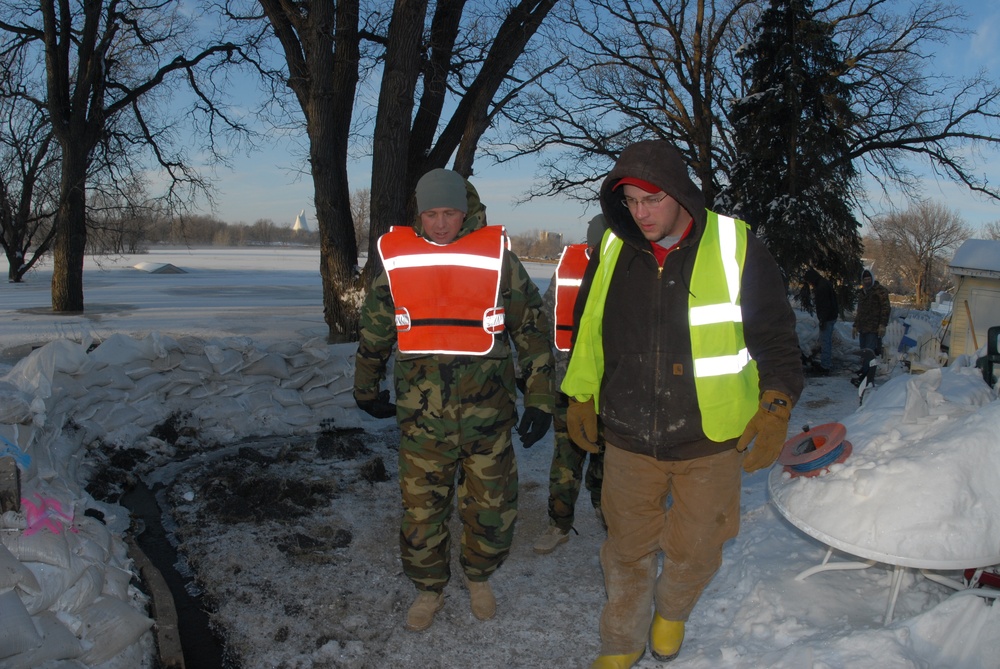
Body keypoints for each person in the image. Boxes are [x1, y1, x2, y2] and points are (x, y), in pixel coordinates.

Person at [562, 140, 804, 668]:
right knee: (626, 549)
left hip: (710, 435)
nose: (640, 213)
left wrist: (777, 403)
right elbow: (590, 332)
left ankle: (672, 611)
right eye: (629, 201)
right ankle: (621, 642)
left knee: (698, 546)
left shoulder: (735, 244)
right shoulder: (611, 248)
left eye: (650, 199)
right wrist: (580, 395)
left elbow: (776, 337)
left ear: (678, 193)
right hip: (628, 431)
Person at [353, 168, 554, 633]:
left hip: (488, 417)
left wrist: (541, 399)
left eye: (449, 212)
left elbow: (530, 331)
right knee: (421, 512)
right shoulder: (399, 259)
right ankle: (429, 590)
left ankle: (480, 577)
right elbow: (375, 329)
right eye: (431, 213)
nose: (440, 223)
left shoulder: (496, 256)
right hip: (423, 420)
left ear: (465, 211)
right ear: (419, 214)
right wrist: (365, 388)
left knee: (492, 508)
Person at [533, 214, 608, 555]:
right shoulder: (567, 269)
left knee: (612, 462)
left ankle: (610, 517)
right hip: (568, 385)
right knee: (566, 460)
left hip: (614, 391)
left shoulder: (636, 272)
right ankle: (559, 524)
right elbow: (545, 322)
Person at [803, 268, 838, 375]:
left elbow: (824, 305)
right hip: (831, 316)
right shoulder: (824, 283)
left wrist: (822, 319)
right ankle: (825, 363)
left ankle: (825, 366)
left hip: (827, 318)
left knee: (825, 342)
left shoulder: (821, 287)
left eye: (809, 282)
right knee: (825, 341)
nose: (810, 284)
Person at [853, 267, 891, 356]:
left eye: (869, 279)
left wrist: (882, 324)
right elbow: (860, 310)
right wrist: (855, 325)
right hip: (862, 327)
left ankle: (870, 369)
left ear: (872, 279)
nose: (867, 281)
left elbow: (886, 308)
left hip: (873, 327)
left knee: (870, 352)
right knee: (863, 351)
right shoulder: (862, 292)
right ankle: (864, 369)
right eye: (865, 279)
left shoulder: (880, 291)